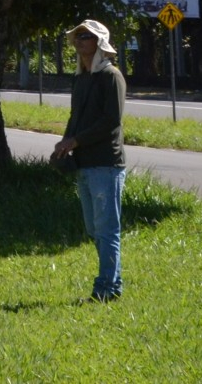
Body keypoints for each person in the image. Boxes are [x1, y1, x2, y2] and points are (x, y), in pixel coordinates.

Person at [51, 17, 126, 301]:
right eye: (78, 36)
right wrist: (65, 143)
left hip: (106, 164)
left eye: (86, 36)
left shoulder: (111, 76)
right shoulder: (81, 78)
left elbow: (111, 121)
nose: (79, 41)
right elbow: (76, 116)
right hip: (84, 162)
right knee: (94, 229)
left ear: (100, 43)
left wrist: (76, 140)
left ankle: (106, 289)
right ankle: (111, 284)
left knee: (106, 230)